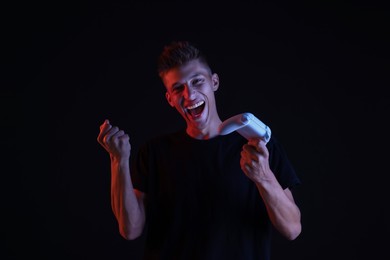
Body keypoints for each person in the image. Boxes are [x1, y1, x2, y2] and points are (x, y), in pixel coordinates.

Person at [97, 40, 302, 259]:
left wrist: (264, 178)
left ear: (214, 82)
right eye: (178, 88)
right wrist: (119, 160)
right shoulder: (154, 153)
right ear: (170, 99)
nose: (190, 95)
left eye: (197, 82)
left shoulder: (258, 145)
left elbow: (292, 229)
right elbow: (130, 230)